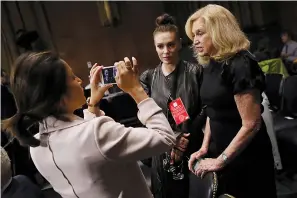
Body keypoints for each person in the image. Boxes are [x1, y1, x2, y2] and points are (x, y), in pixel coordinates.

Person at [2, 51, 176, 198]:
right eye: (72, 77)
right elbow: (165, 137)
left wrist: (93, 104)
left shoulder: (36, 145)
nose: (79, 80)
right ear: (59, 96)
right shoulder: (96, 132)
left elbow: (86, 146)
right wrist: (136, 89)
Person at [186, 5, 277, 198]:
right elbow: (213, 110)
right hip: (224, 151)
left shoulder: (241, 64)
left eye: (200, 34)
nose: (195, 41)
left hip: (247, 157)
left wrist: (221, 160)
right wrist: (204, 147)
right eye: (194, 35)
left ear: (219, 30)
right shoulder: (210, 63)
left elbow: (251, 124)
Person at [140, 14, 206, 198]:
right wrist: (172, 140)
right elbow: (147, 115)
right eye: (160, 46)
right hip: (162, 149)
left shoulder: (195, 71)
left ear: (179, 43)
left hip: (193, 145)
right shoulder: (148, 77)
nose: (166, 51)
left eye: (170, 44)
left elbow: (206, 108)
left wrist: (185, 136)